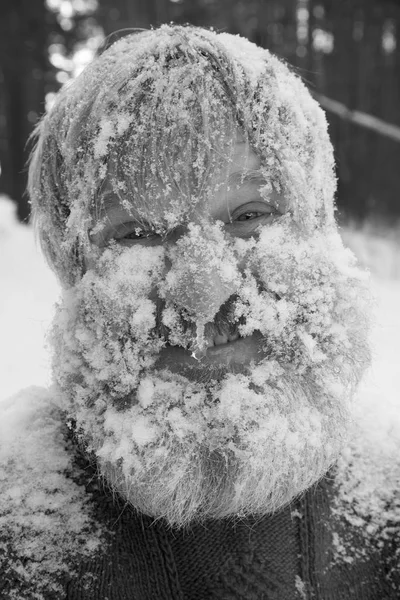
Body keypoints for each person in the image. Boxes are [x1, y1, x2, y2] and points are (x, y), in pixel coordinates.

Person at [2, 24, 398, 600]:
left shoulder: (388, 505)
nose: (203, 290)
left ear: (319, 233)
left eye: (248, 216)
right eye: (136, 232)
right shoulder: (21, 538)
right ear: (74, 272)